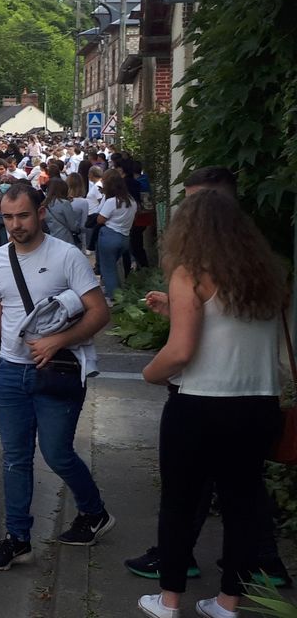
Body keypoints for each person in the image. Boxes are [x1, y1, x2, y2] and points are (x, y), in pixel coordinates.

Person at [136, 190, 286, 618]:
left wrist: (150, 373)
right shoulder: (267, 275)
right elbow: (230, 331)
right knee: (243, 504)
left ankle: (168, 599)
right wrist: (175, 309)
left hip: (200, 405)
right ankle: (227, 602)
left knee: (180, 501)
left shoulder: (190, 273)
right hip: (259, 405)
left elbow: (182, 351)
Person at [0, 183, 114, 571]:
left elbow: (100, 313)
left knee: (56, 453)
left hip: (56, 372)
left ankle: (93, 511)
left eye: (23, 215)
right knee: (16, 459)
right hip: (9, 372)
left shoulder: (67, 257)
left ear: (41, 212)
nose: (15, 224)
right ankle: (18, 539)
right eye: (8, 217)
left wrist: (57, 341)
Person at [95, 168, 137, 301]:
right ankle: (118, 290)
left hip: (109, 236)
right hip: (125, 237)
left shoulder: (111, 202)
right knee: (115, 266)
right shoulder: (132, 201)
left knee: (108, 268)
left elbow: (100, 219)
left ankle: (113, 296)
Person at [43, 178, 85, 250]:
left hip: (50, 239)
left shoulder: (44, 204)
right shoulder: (64, 203)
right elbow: (73, 226)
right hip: (65, 239)